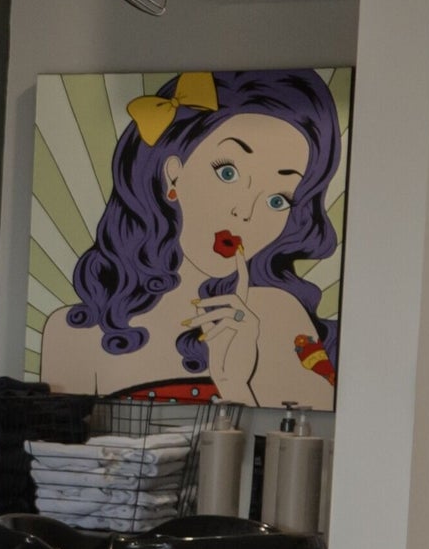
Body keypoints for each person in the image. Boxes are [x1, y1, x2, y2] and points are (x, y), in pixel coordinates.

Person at [39, 67, 342, 409]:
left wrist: (235, 383)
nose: (245, 213)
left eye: (278, 199)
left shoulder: (279, 315)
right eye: (228, 172)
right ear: (173, 174)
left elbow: (295, 449)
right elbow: (62, 454)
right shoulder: (72, 332)